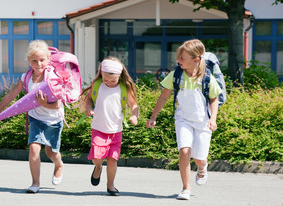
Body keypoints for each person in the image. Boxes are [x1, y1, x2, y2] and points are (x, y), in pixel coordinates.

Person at [146, 39, 222, 200]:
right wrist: (153, 117)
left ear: (196, 60)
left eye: (182, 58)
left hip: (203, 123)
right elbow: (163, 97)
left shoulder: (207, 78)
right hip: (183, 120)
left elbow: (214, 99)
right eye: (178, 57)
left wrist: (213, 119)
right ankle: (186, 188)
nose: (178, 61)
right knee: (184, 151)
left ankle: (203, 167)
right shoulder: (176, 75)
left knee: (199, 158)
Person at [0, 40, 64, 194]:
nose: (38, 64)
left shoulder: (53, 77)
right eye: (34, 61)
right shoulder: (25, 78)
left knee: (51, 152)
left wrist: (43, 103)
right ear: (28, 61)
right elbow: (10, 96)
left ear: (48, 60)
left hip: (53, 119)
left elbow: (56, 105)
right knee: (34, 148)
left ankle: (59, 165)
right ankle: (35, 183)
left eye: (42, 60)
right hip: (36, 119)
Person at [80, 56, 139, 196]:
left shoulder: (124, 88)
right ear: (101, 74)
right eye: (106, 79)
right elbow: (88, 99)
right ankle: (98, 167)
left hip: (116, 130)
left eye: (113, 80)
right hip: (99, 129)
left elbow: (134, 105)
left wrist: (134, 115)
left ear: (120, 76)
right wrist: (88, 108)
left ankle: (110, 185)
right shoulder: (98, 85)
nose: (109, 83)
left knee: (113, 160)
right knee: (97, 158)